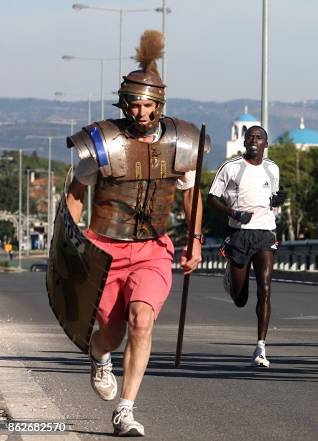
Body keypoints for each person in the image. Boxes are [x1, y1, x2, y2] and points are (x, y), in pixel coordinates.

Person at [65, 31, 205, 436]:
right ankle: (98, 352)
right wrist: (72, 241)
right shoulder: (103, 143)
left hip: (152, 248)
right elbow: (76, 196)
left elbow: (190, 197)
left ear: (159, 105)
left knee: (141, 320)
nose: (141, 112)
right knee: (111, 331)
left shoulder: (180, 143)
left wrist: (195, 239)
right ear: (124, 104)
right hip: (104, 248)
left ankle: (125, 409)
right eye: (134, 104)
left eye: (148, 105)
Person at [207, 125, 286, 368]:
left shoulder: (272, 168)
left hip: (265, 232)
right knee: (240, 298)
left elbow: (272, 199)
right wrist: (233, 213)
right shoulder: (230, 167)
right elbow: (212, 198)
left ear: (266, 143)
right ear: (244, 141)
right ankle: (232, 277)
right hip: (239, 233)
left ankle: (261, 346)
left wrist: (278, 200)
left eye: (259, 137)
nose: (254, 140)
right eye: (250, 136)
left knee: (265, 287)